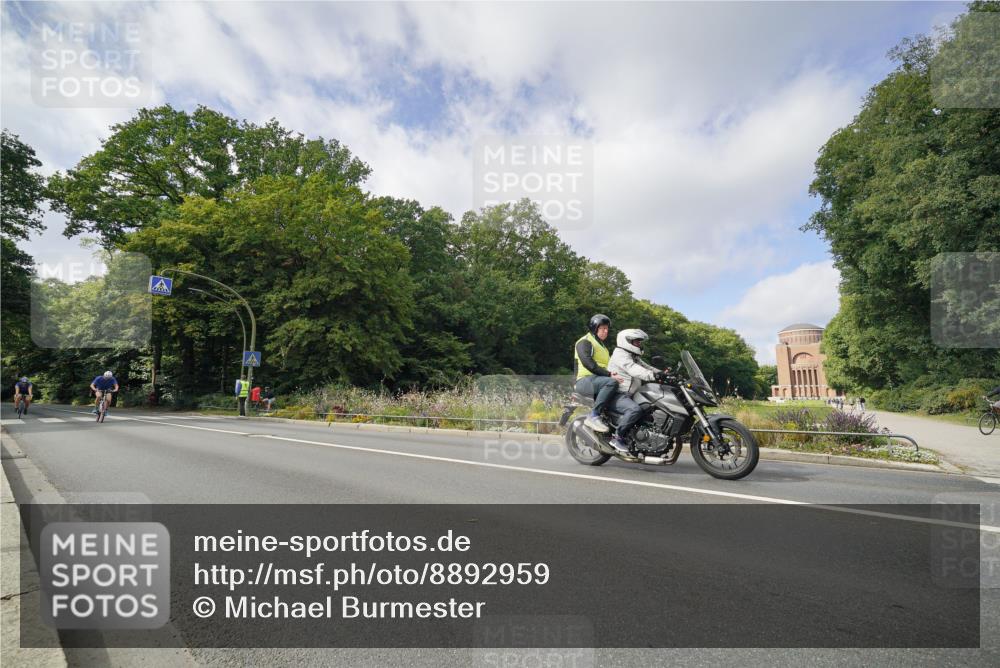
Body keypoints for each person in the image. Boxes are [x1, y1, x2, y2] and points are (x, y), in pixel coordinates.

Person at [607, 328, 666, 455]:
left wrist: (661, 373)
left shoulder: (632, 355)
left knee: (650, 409)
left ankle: (642, 441)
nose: (639, 344)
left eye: (639, 342)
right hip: (618, 394)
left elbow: (645, 367)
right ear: (626, 341)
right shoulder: (620, 355)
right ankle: (617, 437)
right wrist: (653, 376)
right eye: (636, 342)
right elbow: (633, 369)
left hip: (630, 394)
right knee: (635, 410)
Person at [573, 314, 621, 433]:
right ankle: (593, 416)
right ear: (595, 328)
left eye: (607, 329)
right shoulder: (585, 341)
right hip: (585, 381)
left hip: (598, 380)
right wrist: (609, 375)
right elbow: (588, 363)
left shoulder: (603, 347)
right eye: (603, 328)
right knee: (612, 383)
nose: (606, 331)